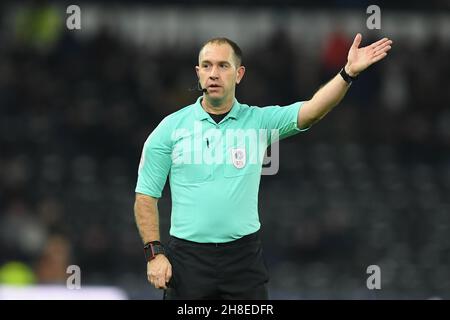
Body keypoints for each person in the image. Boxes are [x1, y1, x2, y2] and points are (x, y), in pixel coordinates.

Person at [134, 35, 393, 300]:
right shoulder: (169, 129)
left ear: (239, 74)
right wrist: (154, 254)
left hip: (242, 261)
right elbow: (145, 195)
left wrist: (347, 73)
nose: (214, 74)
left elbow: (312, 111)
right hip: (187, 261)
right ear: (198, 73)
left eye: (223, 66)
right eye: (207, 66)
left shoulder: (258, 122)